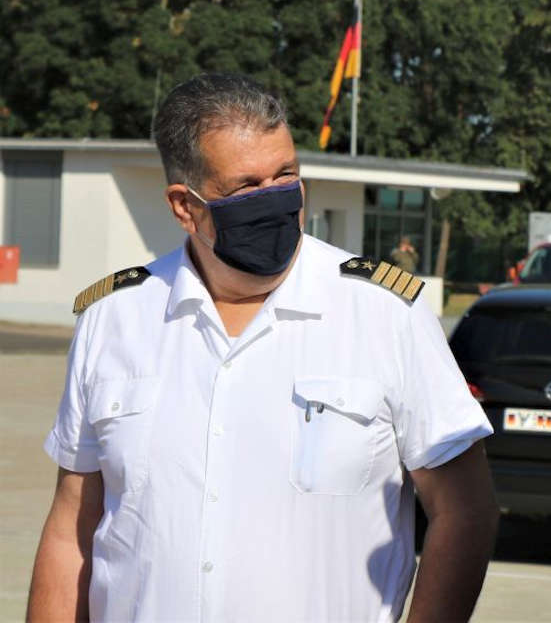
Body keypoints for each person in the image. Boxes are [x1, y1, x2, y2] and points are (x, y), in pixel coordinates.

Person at [27, 73, 498, 622]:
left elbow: (465, 511)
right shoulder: (113, 319)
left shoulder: (385, 313)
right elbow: (72, 531)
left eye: (286, 175)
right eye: (247, 187)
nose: (274, 199)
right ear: (185, 205)